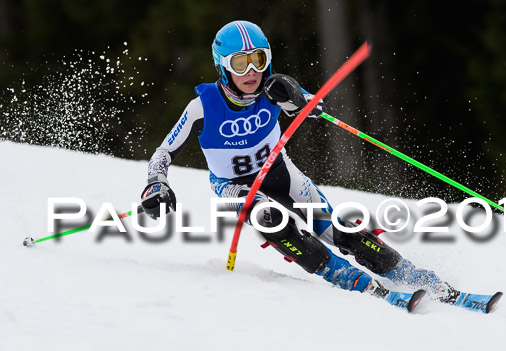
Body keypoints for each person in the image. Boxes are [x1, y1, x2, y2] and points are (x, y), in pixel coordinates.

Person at [140, 20, 460, 305]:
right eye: (240, 64)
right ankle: (346, 277)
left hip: (281, 173)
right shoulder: (203, 107)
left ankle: (415, 276)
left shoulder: (273, 90)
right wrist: (157, 184)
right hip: (235, 186)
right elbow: (163, 154)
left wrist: (298, 99)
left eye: (258, 60)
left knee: (336, 229)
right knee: (272, 220)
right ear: (223, 67)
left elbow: (311, 105)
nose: (251, 71)